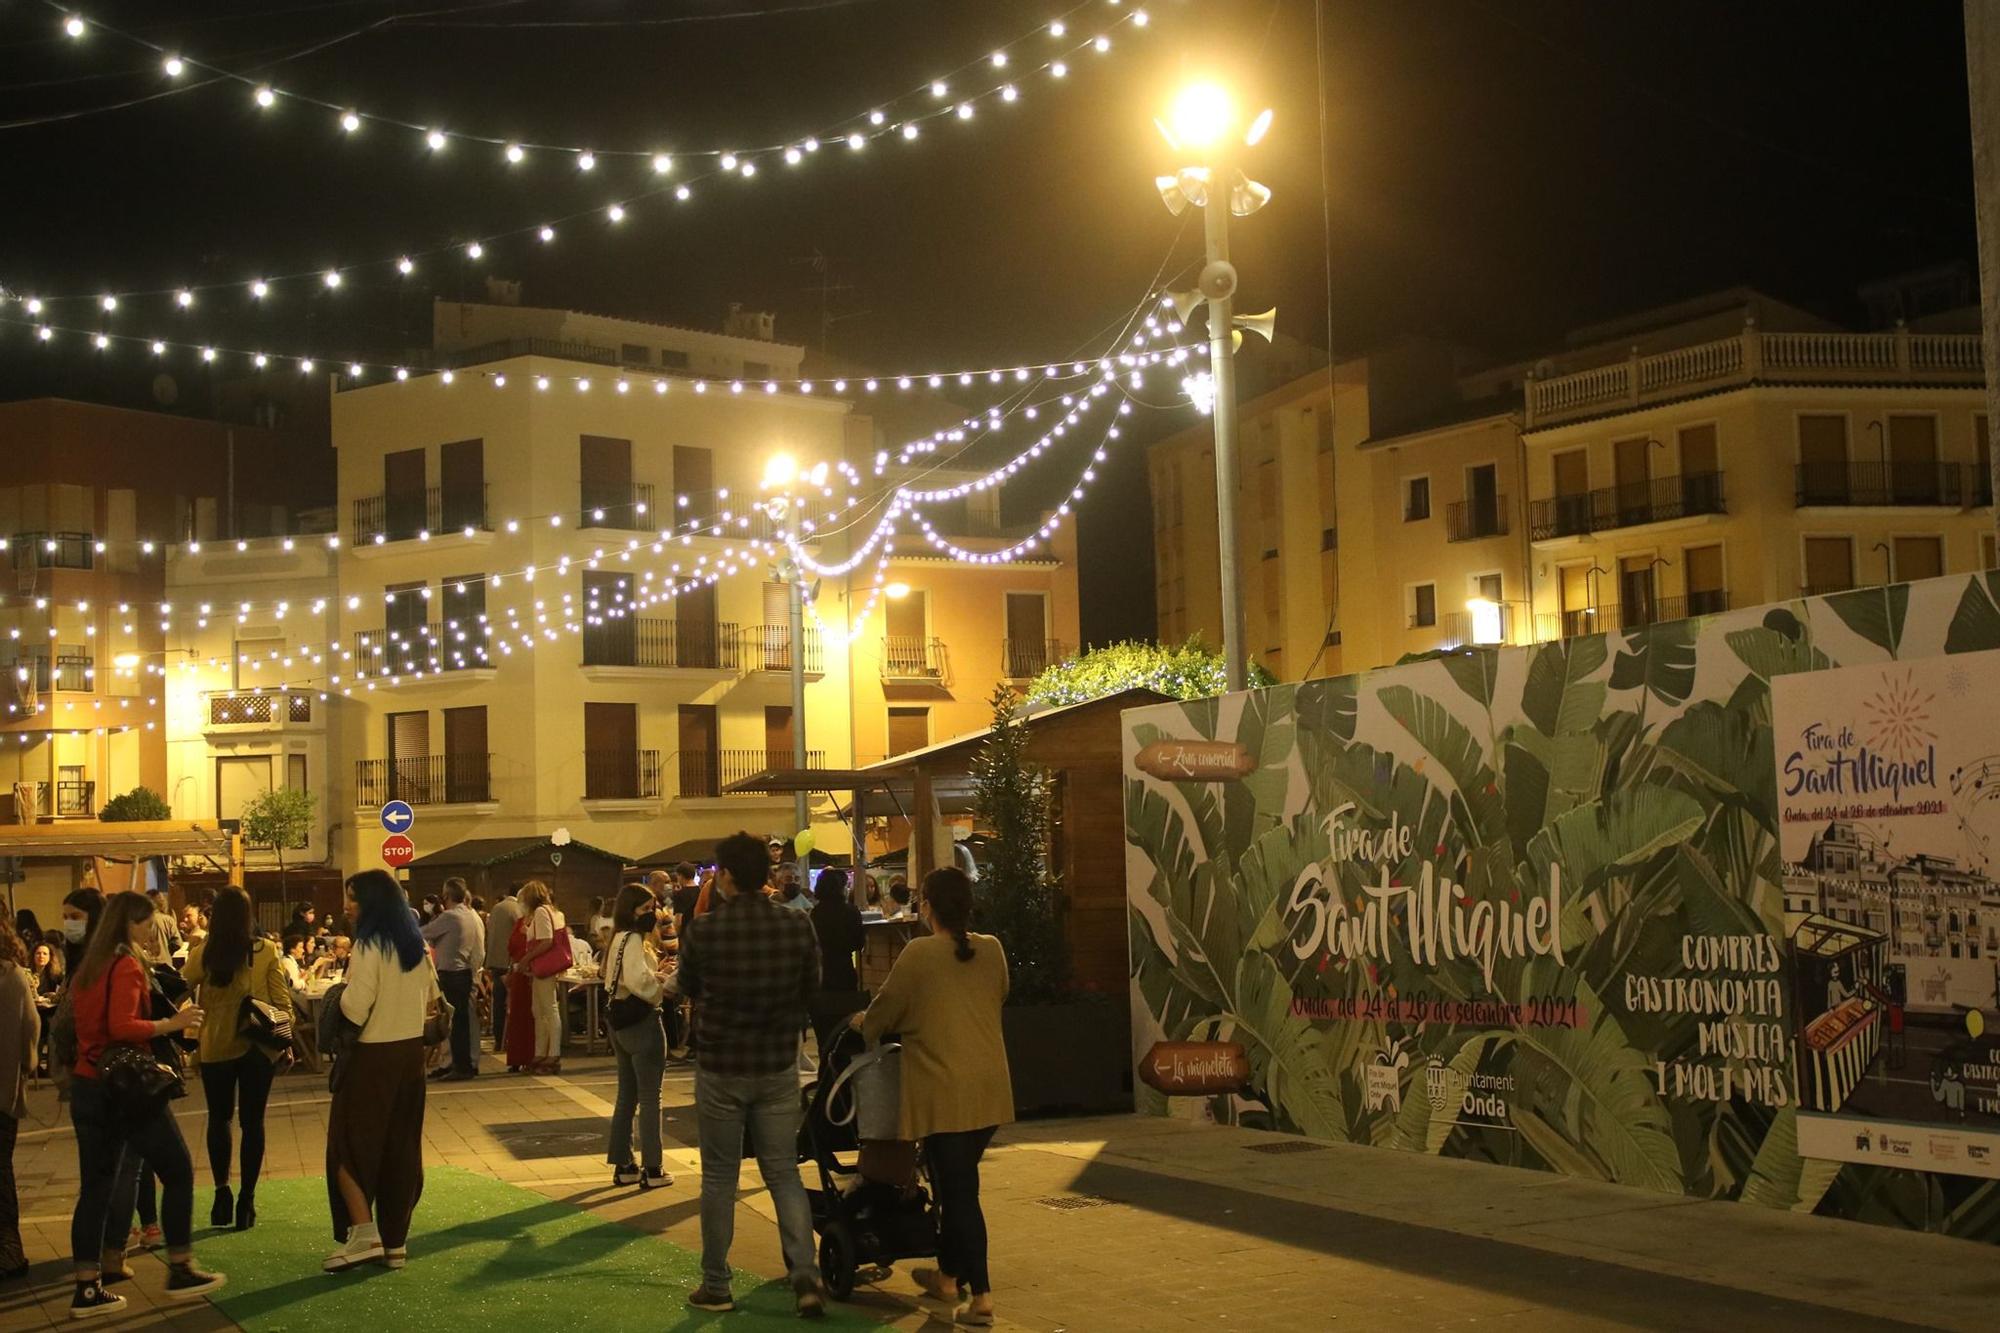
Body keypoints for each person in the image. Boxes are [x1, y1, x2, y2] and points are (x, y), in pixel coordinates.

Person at [854, 867, 1011, 1326]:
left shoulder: (920, 954)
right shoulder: (993, 949)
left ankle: (981, 1296)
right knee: (953, 1182)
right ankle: (946, 1275)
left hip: (945, 1091)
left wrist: (859, 1025)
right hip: (989, 1088)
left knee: (961, 1192)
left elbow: (882, 1014)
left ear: (926, 906)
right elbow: (998, 995)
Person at [676, 831, 824, 1317]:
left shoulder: (704, 931)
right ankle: (805, 1274)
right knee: (782, 1172)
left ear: (728, 876)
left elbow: (689, 986)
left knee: (719, 1178)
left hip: (721, 1066)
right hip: (778, 1062)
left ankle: (717, 1284)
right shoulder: (798, 924)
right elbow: (812, 986)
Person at [66, 891, 223, 1318]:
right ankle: (181, 1267)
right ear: (130, 924)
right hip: (125, 1088)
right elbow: (122, 1026)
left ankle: (86, 1288)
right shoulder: (127, 964)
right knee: (177, 1169)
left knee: (96, 1187)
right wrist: (171, 1023)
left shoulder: (89, 965)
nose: (155, 931)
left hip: (88, 1082)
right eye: (148, 923)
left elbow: (82, 1026)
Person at [324, 870, 439, 1274]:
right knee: (400, 1148)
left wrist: (338, 994)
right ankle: (395, 1243)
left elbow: (357, 1007)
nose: (346, 905)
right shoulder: (416, 947)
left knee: (347, 1145)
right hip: (410, 1058)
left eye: (353, 898)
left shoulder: (369, 946)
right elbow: (430, 1000)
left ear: (371, 902)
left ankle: (363, 1234)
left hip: (372, 1058)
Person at [181, 887, 289, 1234]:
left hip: (215, 1046)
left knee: (219, 1119)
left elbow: (182, 983)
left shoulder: (204, 953)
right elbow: (282, 1002)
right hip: (258, 1049)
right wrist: (284, 1038)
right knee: (253, 1123)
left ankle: (221, 1192)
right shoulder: (266, 950)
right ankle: (247, 1200)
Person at [602, 884, 674, 1191]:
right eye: (645, 909)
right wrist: (662, 984)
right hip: (641, 1022)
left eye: (653, 907)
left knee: (626, 1096)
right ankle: (653, 1168)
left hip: (618, 1021)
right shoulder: (633, 939)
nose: (652, 914)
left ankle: (624, 1165)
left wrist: (654, 975)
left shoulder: (617, 938)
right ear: (631, 910)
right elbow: (637, 980)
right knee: (649, 1097)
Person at [0, 916, 40, 1282]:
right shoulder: (13, 976)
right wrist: (26, 1067)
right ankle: (9, 1254)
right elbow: (31, 1028)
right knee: (2, 1174)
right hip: (3, 1092)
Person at [420, 879, 484, 1081]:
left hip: (452, 973)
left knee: (455, 1024)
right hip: (464, 971)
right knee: (462, 1022)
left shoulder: (450, 916)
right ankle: (460, 1064)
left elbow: (423, 933)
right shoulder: (469, 915)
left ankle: (460, 1067)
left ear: (446, 896)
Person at [808, 869, 868, 1047]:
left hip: (822, 976)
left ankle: (825, 1068)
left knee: (823, 1036)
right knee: (845, 1032)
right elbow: (858, 943)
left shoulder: (815, 913)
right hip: (845, 973)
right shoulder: (851, 911)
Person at [512, 882, 567, 1074]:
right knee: (540, 1010)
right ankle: (542, 1052)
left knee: (548, 1010)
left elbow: (546, 941)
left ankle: (552, 1053)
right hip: (542, 968)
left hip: (544, 967)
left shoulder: (542, 912)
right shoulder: (553, 912)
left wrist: (527, 959)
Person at [484, 885, 524, 1052]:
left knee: (498, 1003)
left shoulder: (496, 908)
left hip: (494, 960)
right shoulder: (517, 909)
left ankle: (499, 1039)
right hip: (509, 962)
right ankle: (511, 1041)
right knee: (513, 1004)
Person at [60, 888, 104, 977]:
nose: (69, 923)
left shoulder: (109, 958)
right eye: (65, 917)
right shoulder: (73, 953)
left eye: (75, 917)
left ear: (95, 918)